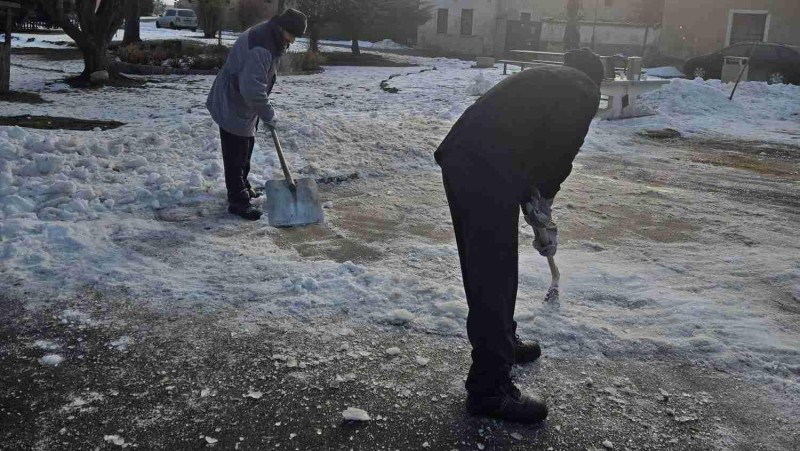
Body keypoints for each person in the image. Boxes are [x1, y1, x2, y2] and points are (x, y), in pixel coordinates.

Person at [434, 48, 604, 423]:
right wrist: (542, 206)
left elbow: (533, 144)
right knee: (493, 275)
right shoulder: (583, 90)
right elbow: (558, 155)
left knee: (491, 268)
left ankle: (503, 343)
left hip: (470, 159)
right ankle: (489, 389)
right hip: (484, 167)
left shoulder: (553, 81)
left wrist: (533, 201)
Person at [206, 9, 307, 220]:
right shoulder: (262, 46)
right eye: (293, 36)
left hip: (244, 103)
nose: (293, 41)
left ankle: (243, 186)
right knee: (236, 151)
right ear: (283, 29)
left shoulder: (271, 36)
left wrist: (262, 110)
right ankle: (238, 200)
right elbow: (252, 88)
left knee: (247, 145)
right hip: (233, 101)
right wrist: (268, 113)